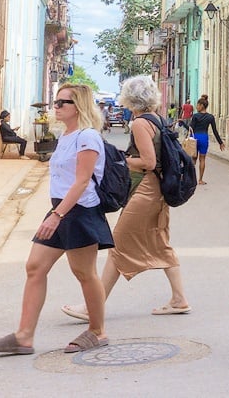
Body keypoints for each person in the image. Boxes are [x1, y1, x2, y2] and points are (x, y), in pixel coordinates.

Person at [61, 75, 191, 324]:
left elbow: (149, 162)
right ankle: (179, 299)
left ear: (130, 98)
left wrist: (121, 160)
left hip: (146, 189)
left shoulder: (140, 123)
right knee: (160, 242)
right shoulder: (158, 119)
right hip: (158, 190)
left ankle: (92, 307)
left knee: (118, 242)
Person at [0, 84, 113, 355]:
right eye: (56, 102)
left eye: (63, 103)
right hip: (62, 209)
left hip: (80, 211)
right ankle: (24, 336)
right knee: (35, 267)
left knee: (84, 273)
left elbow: (83, 181)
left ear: (79, 107)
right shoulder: (66, 135)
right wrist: (56, 212)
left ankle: (98, 331)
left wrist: (58, 215)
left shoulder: (87, 137)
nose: (56, 106)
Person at [188, 98, 225, 185]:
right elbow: (215, 131)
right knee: (202, 159)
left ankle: (192, 179)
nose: (196, 107)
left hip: (195, 137)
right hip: (204, 138)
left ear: (201, 105)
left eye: (197, 105)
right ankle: (200, 180)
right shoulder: (210, 117)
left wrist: (184, 125)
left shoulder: (195, 116)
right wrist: (220, 142)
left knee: (193, 159)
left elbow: (190, 129)